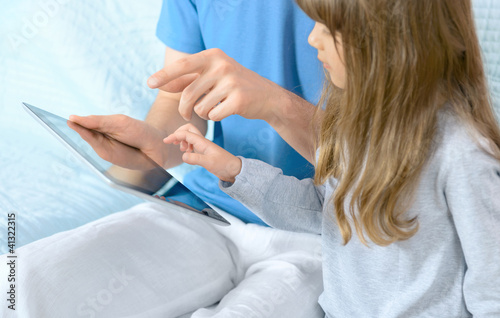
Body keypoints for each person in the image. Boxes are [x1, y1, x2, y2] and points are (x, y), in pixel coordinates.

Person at [163, 0, 500, 316]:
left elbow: (492, 286)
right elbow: (325, 213)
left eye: (328, 27)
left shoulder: (461, 153)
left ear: (393, 40)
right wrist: (235, 171)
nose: (312, 38)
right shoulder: (352, 127)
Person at [2, 1, 327, 318]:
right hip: (210, 210)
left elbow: (375, 159)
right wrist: (155, 143)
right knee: (19, 285)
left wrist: (279, 104)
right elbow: (178, 102)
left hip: (325, 231)